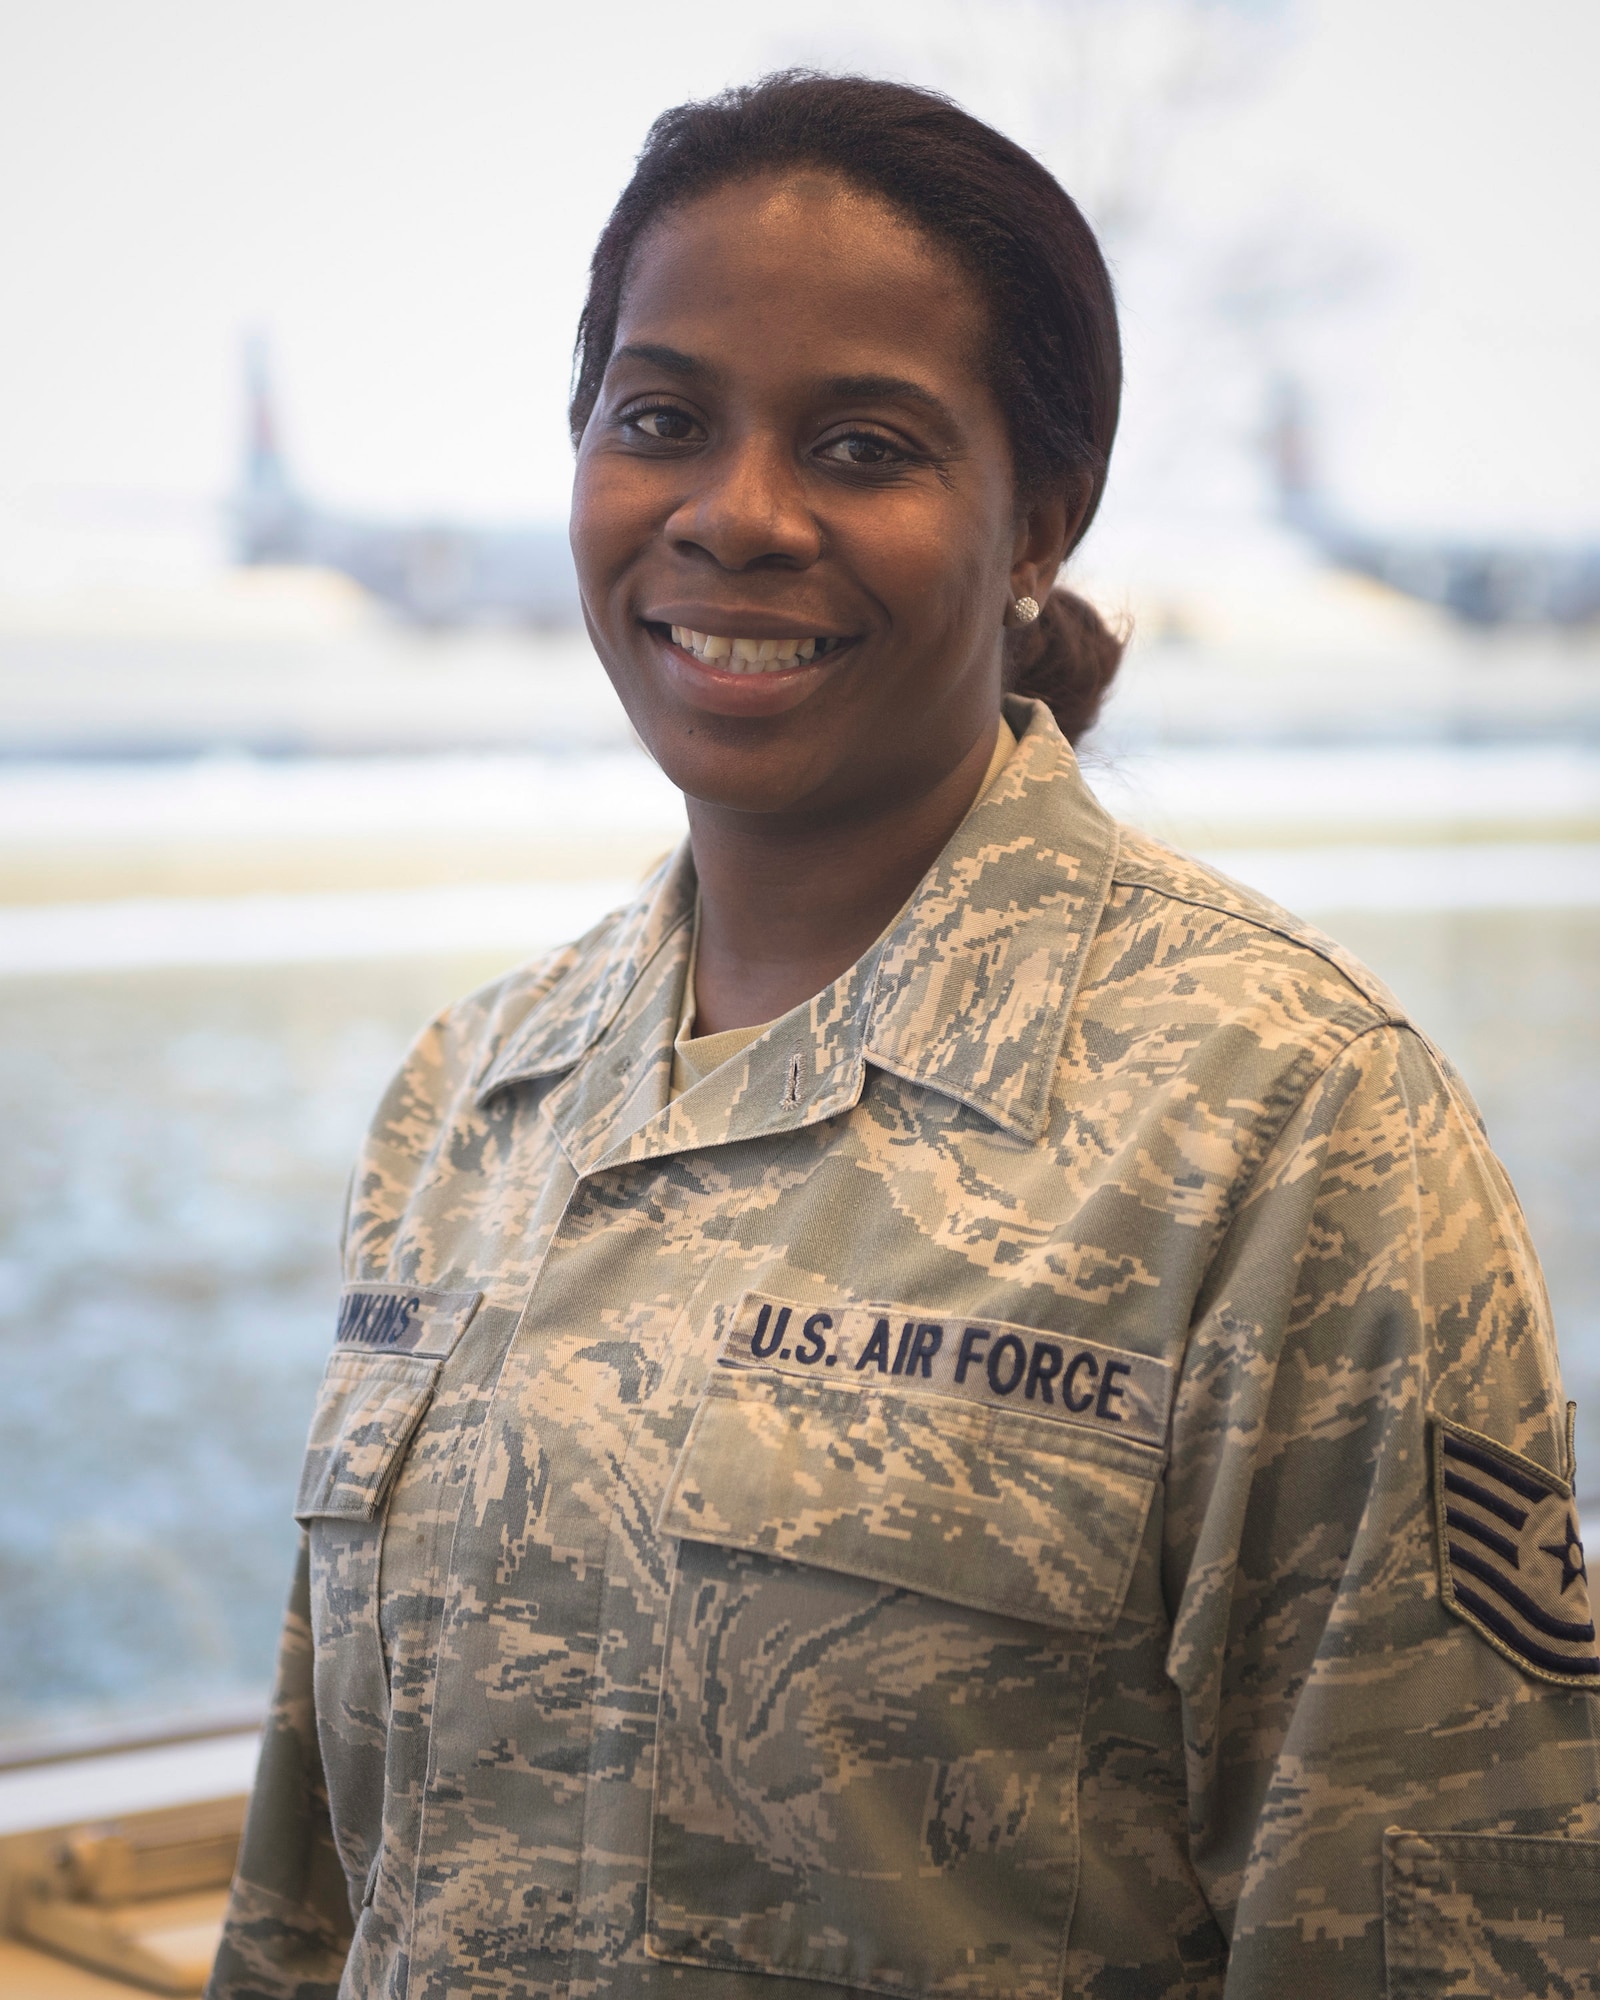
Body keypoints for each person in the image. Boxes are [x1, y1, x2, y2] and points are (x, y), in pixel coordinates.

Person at [209, 72, 1600, 2000]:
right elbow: (314, 1895)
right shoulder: (473, 1100)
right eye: (663, 420)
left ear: (1040, 518)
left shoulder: (1287, 1125)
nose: (737, 515)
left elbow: (1442, 1945)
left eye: (862, 446)